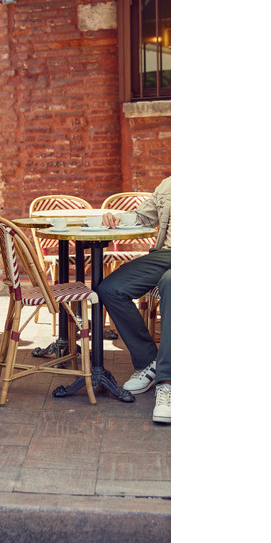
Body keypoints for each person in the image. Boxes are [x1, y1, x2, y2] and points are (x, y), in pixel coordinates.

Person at [99, 176, 171, 424]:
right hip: (166, 255)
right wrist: (117, 218)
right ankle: (149, 360)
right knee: (110, 288)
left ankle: (167, 382)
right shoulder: (169, 184)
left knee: (171, 283)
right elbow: (142, 216)